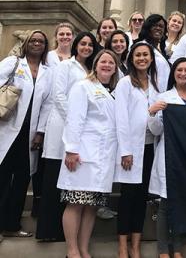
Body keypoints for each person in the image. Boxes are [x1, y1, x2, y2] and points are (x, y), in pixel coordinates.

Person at [57, 50, 119, 258]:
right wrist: (72, 149)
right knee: (75, 202)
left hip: (102, 159)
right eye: (104, 61)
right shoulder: (83, 87)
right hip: (82, 155)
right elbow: (74, 119)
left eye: (111, 62)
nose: (107, 65)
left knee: (91, 206)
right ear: (96, 64)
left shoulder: (109, 91)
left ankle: (84, 249)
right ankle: (72, 250)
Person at [36, 32, 97, 241]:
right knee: (53, 179)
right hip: (62, 125)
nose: (86, 48)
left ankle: (63, 231)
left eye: (90, 45)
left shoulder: (90, 69)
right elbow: (58, 95)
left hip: (78, 129)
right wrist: (73, 119)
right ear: (76, 45)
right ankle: (47, 231)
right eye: (83, 44)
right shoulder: (65, 66)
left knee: (68, 181)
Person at [148, 58, 186, 258]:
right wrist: (152, 113)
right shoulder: (165, 98)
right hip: (170, 154)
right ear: (174, 73)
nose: (183, 73)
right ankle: (164, 250)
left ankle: (178, 248)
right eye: (179, 70)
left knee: (182, 202)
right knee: (165, 203)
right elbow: (156, 130)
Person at [0, 30, 52, 239]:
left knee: (22, 179)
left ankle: (12, 224)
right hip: (7, 128)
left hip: (29, 132)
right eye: (33, 40)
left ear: (45, 46)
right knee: (2, 177)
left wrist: (40, 132)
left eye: (41, 41)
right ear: (26, 43)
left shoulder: (48, 71)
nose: (37, 43)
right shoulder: (13, 62)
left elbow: (48, 104)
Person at [114, 41, 160, 258]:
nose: (142, 58)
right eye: (138, 55)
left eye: (146, 55)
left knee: (142, 197)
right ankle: (123, 246)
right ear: (132, 59)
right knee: (128, 197)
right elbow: (121, 119)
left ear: (151, 59)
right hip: (131, 149)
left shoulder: (154, 84)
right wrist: (125, 150)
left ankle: (136, 245)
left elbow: (155, 118)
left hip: (150, 147)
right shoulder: (124, 84)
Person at [138, 14, 171, 92]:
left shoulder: (161, 51)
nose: (158, 28)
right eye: (155, 25)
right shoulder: (141, 47)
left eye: (161, 26)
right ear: (148, 28)